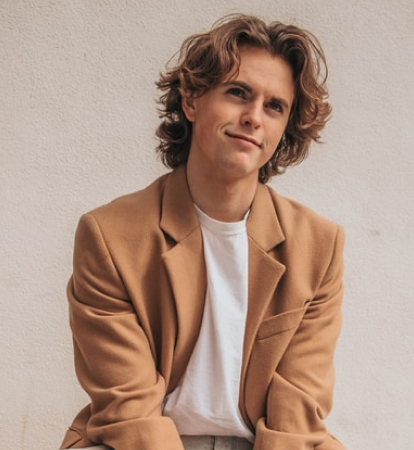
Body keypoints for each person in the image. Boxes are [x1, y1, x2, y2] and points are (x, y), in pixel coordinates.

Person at [60, 14, 346, 450]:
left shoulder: (318, 246)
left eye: (274, 106)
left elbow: (296, 414)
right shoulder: (110, 236)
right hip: (147, 440)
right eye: (238, 93)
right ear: (191, 101)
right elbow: (129, 408)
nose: (253, 117)